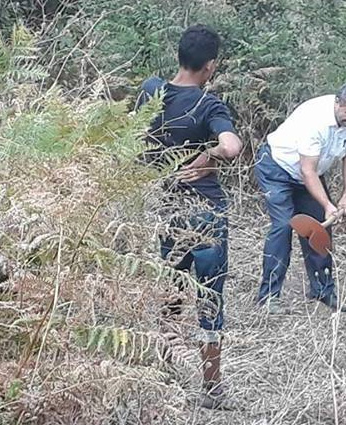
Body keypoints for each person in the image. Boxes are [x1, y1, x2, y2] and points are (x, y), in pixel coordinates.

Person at [134, 24, 242, 409]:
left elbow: (138, 143)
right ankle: (211, 388)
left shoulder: (150, 92)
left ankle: (163, 372)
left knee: (172, 293)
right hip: (207, 213)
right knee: (210, 298)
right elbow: (231, 146)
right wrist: (206, 157)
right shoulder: (209, 105)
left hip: (168, 209)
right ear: (210, 65)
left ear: (179, 55)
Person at [254, 83, 346, 313]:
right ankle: (268, 298)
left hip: (309, 175)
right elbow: (307, 170)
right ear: (337, 102)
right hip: (277, 168)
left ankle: (323, 291)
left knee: (318, 228)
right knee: (284, 226)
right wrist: (328, 204)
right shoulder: (314, 120)